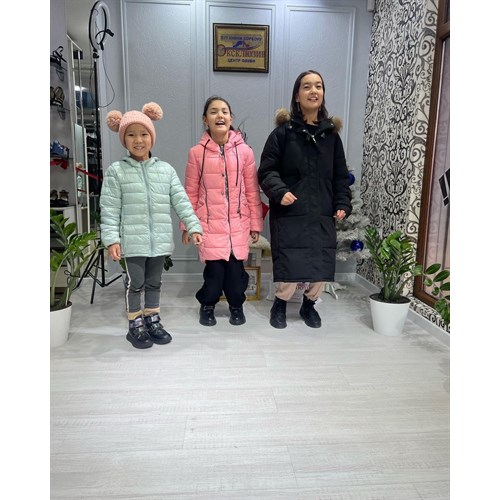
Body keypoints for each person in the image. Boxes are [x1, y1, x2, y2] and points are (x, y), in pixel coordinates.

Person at [100, 102, 203, 349]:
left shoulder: (165, 171)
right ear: (124, 139)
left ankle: (152, 319)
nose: (138, 140)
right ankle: (135, 324)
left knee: (154, 282)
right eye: (131, 135)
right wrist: (112, 240)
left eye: (144, 134)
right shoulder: (116, 171)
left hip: (159, 240)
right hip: (132, 242)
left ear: (152, 137)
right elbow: (110, 209)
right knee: (135, 283)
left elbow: (181, 201)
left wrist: (193, 226)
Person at [258, 70, 352, 329]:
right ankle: (280, 304)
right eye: (307, 86)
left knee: (321, 260)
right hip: (291, 211)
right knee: (290, 259)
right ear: (297, 96)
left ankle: (309, 305)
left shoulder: (331, 136)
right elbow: (266, 171)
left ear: (323, 94)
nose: (313, 91)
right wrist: (280, 191)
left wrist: (342, 203)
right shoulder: (282, 133)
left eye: (318, 86)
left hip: (322, 210)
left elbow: (340, 175)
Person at [181, 96, 263, 327]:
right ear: (205, 119)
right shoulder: (196, 153)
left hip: (238, 226)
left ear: (231, 118)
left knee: (236, 278)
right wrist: (188, 225)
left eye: (224, 111)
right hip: (209, 226)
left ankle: (236, 306)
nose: (220, 115)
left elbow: (252, 191)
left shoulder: (245, 152)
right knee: (214, 276)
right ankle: (207, 305)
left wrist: (255, 224)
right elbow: (190, 193)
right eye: (214, 111)